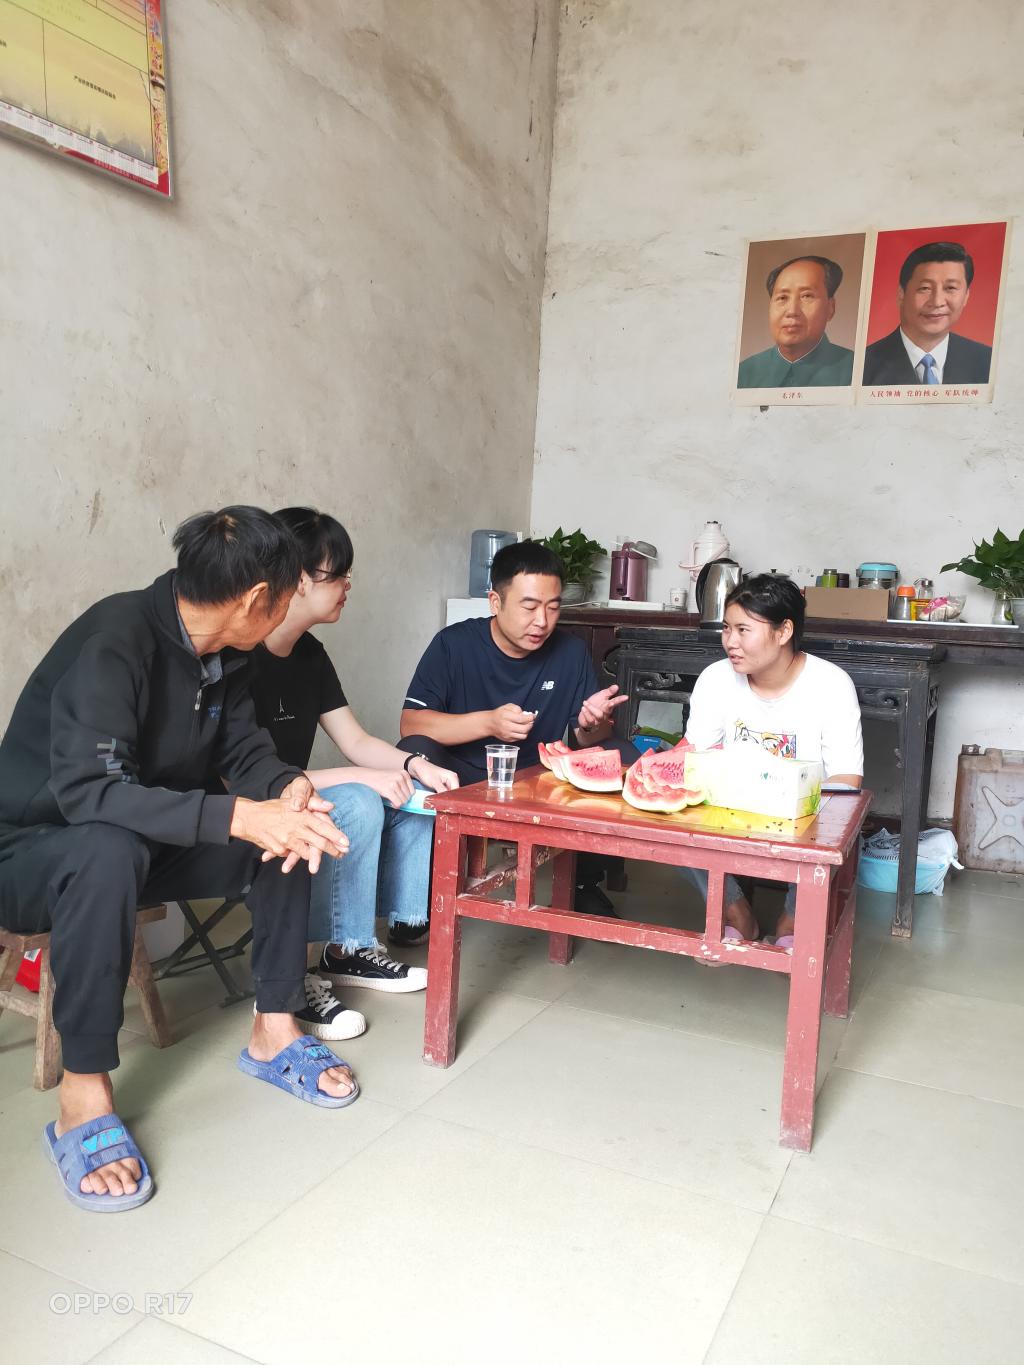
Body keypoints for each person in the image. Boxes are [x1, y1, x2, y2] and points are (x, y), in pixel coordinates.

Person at [0, 507, 358, 1213]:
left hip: (137, 843)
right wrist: (237, 814)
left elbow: (244, 750)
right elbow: (91, 794)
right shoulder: (115, 641)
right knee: (107, 847)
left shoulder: (227, 654)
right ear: (257, 599)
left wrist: (284, 788)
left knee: (285, 835)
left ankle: (274, 1027)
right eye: (288, 595)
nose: (290, 607)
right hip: (33, 847)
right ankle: (83, 1091)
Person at [248, 507, 459, 1037]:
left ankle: (351, 948)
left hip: (300, 792)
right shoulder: (240, 658)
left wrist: (417, 765)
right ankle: (295, 975)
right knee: (360, 799)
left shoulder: (309, 655)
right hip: (251, 806)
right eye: (337, 574)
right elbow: (244, 778)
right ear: (297, 579)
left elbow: (356, 741)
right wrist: (357, 778)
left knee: (412, 796)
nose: (347, 586)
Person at [398, 540, 630, 914]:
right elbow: (411, 724)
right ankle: (415, 898)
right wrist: (488, 722)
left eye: (553, 607)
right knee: (413, 751)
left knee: (618, 753)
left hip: (540, 778)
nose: (542, 621)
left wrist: (593, 723)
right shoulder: (453, 645)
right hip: (459, 776)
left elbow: (589, 737)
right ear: (495, 602)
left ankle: (582, 882)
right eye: (529, 607)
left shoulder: (570, 652)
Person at [683, 574, 863, 946]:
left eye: (743, 630)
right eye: (726, 628)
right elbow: (692, 756)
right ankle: (736, 912)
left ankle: (791, 921)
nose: (730, 642)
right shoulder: (716, 679)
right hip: (729, 808)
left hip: (806, 814)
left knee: (837, 817)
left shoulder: (831, 684)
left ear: (783, 632)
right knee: (672, 809)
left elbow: (847, 781)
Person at [862, 241, 992, 385]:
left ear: (966, 296)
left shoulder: (988, 361)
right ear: (901, 294)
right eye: (925, 288)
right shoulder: (863, 364)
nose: (937, 302)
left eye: (950, 288)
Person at [737, 255, 855, 388]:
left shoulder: (856, 369)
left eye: (807, 296)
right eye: (782, 298)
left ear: (830, 308)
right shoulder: (743, 374)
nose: (792, 311)